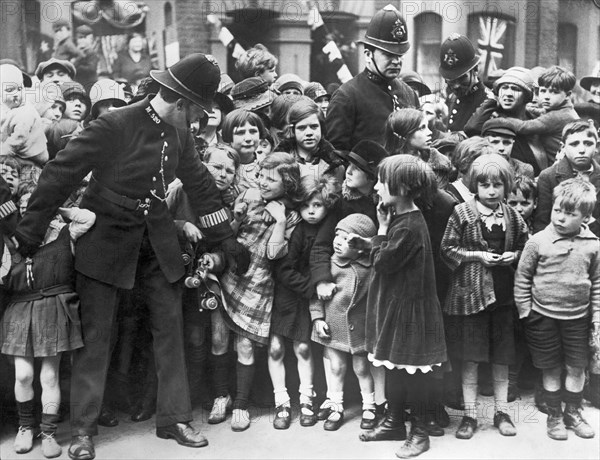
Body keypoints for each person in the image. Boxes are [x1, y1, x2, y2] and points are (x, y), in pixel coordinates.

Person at [13, 53, 249, 460]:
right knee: (97, 339)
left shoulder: (181, 136)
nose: (196, 122)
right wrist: (29, 233)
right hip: (105, 241)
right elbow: (58, 174)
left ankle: (173, 419)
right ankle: (83, 431)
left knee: (169, 329)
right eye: (195, 112)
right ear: (180, 102)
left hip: (157, 240)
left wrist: (225, 238)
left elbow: (201, 186)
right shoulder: (114, 124)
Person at [357, 156, 447, 458]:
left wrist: (380, 230)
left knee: (413, 373)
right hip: (397, 307)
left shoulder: (408, 225)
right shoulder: (402, 218)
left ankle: (420, 434)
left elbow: (384, 262)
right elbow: (386, 251)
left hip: (410, 313)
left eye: (383, 181)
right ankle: (394, 422)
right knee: (394, 366)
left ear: (405, 187)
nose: (378, 187)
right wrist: (369, 241)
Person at [441, 153, 529, 440]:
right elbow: (447, 250)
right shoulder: (461, 213)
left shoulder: (513, 217)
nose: (491, 191)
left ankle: (501, 412)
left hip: (503, 297)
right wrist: (477, 256)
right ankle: (469, 415)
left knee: (501, 357)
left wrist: (512, 256)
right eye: (484, 185)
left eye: (497, 185)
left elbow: (525, 249)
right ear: (474, 186)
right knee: (471, 357)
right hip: (472, 297)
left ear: (506, 186)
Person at [219, 152, 303, 432]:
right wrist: (237, 216)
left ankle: (241, 406)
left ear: (288, 183)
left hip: (259, 282)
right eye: (261, 176)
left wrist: (279, 223)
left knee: (244, 344)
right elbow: (228, 236)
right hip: (230, 275)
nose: (263, 183)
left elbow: (274, 254)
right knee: (219, 340)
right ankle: (222, 396)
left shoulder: (290, 215)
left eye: (271, 179)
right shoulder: (249, 196)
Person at [1, 207, 94, 458]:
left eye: (35, 207)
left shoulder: (63, 232)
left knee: (50, 377)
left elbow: (89, 217)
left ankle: (49, 433)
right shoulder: (10, 241)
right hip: (20, 309)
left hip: (53, 306)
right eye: (24, 209)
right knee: (23, 375)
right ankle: (25, 427)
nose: (30, 214)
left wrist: (56, 206)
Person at [515, 178, 599, 441]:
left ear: (586, 216)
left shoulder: (593, 244)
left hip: (578, 318)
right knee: (550, 367)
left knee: (576, 367)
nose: (561, 218)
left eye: (570, 214)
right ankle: (554, 415)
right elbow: (523, 277)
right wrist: (525, 310)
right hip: (543, 317)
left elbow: (597, 282)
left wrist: (596, 315)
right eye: (557, 210)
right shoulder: (538, 241)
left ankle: (573, 412)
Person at [268, 176, 338, 430]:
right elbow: (283, 270)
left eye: (317, 205)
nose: (311, 210)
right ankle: (281, 401)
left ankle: (306, 399)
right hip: (289, 294)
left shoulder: (328, 230)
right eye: (306, 205)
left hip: (310, 298)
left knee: (304, 348)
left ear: (326, 206)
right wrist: (311, 289)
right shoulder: (296, 230)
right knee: (276, 347)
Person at [311, 213, 377, 432]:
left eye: (346, 239)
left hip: (360, 329)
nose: (338, 242)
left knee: (361, 368)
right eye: (337, 236)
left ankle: (370, 406)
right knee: (336, 367)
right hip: (335, 325)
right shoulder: (330, 264)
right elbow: (316, 295)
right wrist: (318, 318)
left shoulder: (371, 269)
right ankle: (336, 406)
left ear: (361, 246)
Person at [326, 4, 418, 153]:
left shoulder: (408, 93)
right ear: (368, 55)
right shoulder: (347, 96)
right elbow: (336, 153)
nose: (396, 61)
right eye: (388, 55)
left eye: (399, 55)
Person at [490, 66, 579, 166]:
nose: (546, 97)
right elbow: (542, 113)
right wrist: (529, 108)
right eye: (543, 91)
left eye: (554, 92)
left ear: (568, 95)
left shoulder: (559, 116)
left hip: (557, 167)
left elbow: (524, 127)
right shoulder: (565, 110)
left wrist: (500, 120)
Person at [464, 66, 546, 175]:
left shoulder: (534, 119)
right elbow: (471, 128)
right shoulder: (495, 120)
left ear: (527, 96)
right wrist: (492, 99)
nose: (508, 93)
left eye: (515, 89)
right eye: (504, 88)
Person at [533, 120, 600, 235]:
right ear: (563, 147)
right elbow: (542, 222)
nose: (582, 150)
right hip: (558, 242)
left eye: (588, 143)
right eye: (574, 144)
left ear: (597, 147)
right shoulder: (549, 176)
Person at [275, 98, 344, 182]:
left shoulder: (334, 164)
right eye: (302, 128)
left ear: (321, 128)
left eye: (314, 126)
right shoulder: (278, 161)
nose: (309, 133)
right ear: (293, 130)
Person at [383, 107, 452, 189]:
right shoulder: (386, 167)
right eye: (422, 128)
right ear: (406, 132)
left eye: (427, 127)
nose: (430, 132)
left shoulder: (439, 165)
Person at [439, 34, 491, 132]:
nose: (456, 86)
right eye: (451, 80)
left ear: (475, 70)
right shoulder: (452, 98)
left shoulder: (487, 101)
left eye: (462, 78)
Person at [73, 25, 99, 92]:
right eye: (80, 38)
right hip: (77, 85)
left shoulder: (91, 53)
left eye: (84, 38)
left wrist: (77, 66)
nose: (82, 41)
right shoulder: (76, 52)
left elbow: (91, 69)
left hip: (89, 86)